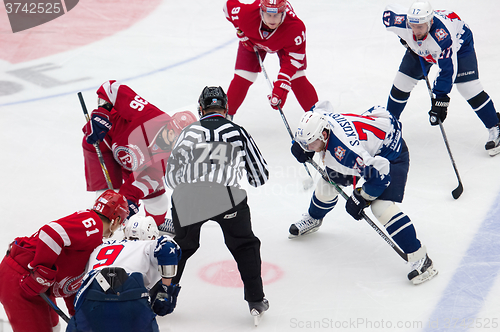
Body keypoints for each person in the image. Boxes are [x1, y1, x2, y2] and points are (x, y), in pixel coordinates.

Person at [290, 101, 438, 285]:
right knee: (328, 184)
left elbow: (380, 175)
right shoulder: (322, 121)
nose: (307, 148)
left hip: (390, 155)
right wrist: (299, 143)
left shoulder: (347, 154)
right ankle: (314, 218)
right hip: (368, 147)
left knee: (380, 206)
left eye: (310, 144)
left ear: (324, 133)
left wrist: (361, 197)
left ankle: (421, 259)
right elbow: (320, 107)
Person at [165, 86, 270, 323]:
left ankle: (163, 293)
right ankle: (255, 299)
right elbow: (260, 177)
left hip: (189, 198)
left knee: (181, 246)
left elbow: (171, 178)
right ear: (226, 109)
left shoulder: (187, 132)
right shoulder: (237, 132)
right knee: (245, 245)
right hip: (227, 198)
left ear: (200, 109)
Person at [0, 190, 129, 332]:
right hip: (21, 278)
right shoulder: (93, 225)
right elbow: (51, 233)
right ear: (116, 220)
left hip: (37, 284)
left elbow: (71, 280)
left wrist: (77, 315)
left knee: (55, 327)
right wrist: (42, 275)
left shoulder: (93, 239)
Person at [383, 1, 500, 156]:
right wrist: (404, 37)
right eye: (413, 25)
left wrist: (441, 100)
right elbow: (387, 11)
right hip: (422, 48)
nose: (416, 31)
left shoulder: (443, 37)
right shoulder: (400, 22)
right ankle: (388, 128)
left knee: (468, 87)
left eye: (420, 27)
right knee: (402, 82)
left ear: (430, 22)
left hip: (459, 45)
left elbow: (447, 70)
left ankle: (495, 126)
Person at [82, 80, 197, 232]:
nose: (172, 138)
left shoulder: (172, 160)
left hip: (135, 165)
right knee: (109, 197)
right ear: (169, 123)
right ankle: (100, 230)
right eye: (173, 132)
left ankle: (155, 225)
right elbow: (110, 88)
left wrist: (128, 200)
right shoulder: (149, 115)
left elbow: (143, 181)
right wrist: (103, 113)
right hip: (102, 141)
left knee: (158, 203)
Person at [66, 215, 181, 332]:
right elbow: (168, 248)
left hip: (91, 295)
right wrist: (165, 290)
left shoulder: (101, 245)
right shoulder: (148, 245)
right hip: (129, 292)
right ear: (151, 236)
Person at [223, 0, 319, 119]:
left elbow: (293, 60)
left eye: (276, 15)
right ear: (261, 11)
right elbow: (227, 8)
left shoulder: (295, 28)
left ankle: (319, 117)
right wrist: (241, 32)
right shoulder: (246, 14)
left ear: (283, 13)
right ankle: (225, 117)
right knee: (244, 76)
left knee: (297, 77)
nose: (272, 20)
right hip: (253, 41)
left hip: (284, 43)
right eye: (268, 15)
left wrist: (282, 83)